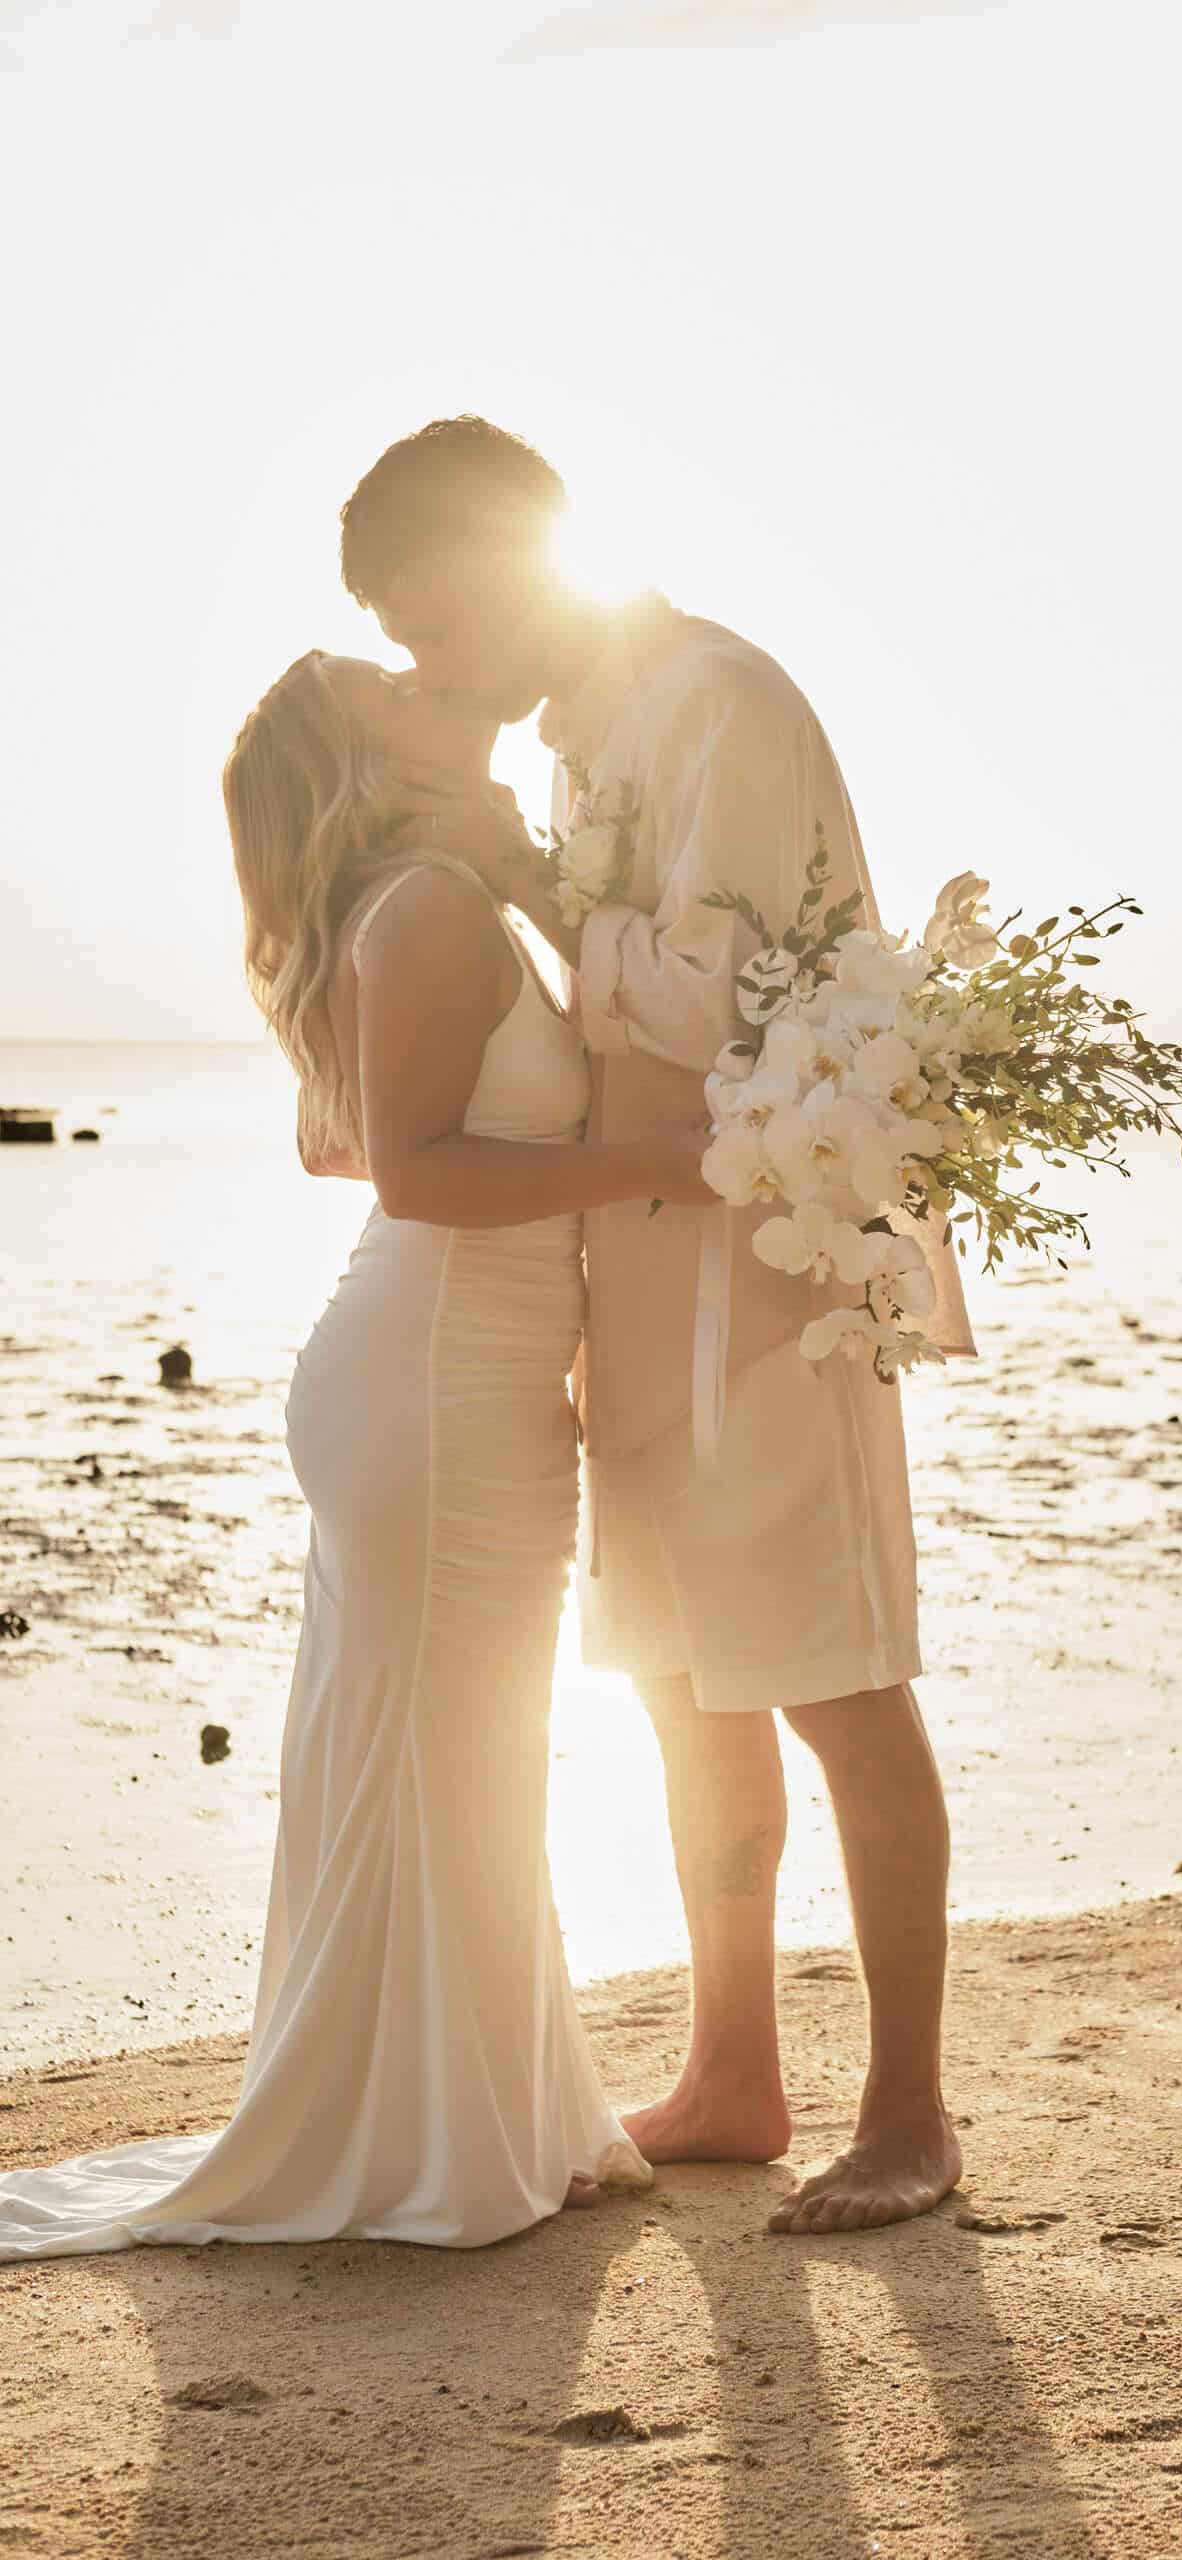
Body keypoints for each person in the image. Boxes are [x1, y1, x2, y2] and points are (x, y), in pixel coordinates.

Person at [338, 416, 977, 2235]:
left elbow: (714, 1005)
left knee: (840, 1671)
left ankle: (913, 2112)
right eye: (405, 646)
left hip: (774, 1275)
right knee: (690, 1680)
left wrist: (528, 881)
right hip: (641, 1269)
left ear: (527, 559)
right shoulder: (598, 734)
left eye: (439, 624)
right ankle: (732, 2072)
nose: (433, 670)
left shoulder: (717, 703)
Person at [0, 650, 713, 2262]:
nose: (421, 669)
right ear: (360, 755)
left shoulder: (419, 906)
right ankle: (437, 2135)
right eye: (383, 677)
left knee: (453, 1745)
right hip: (435, 1382)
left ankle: (481, 2114)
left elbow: (339, 1139)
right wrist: (659, 1159)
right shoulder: (428, 911)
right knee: (437, 1744)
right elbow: (412, 1174)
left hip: (448, 1375)